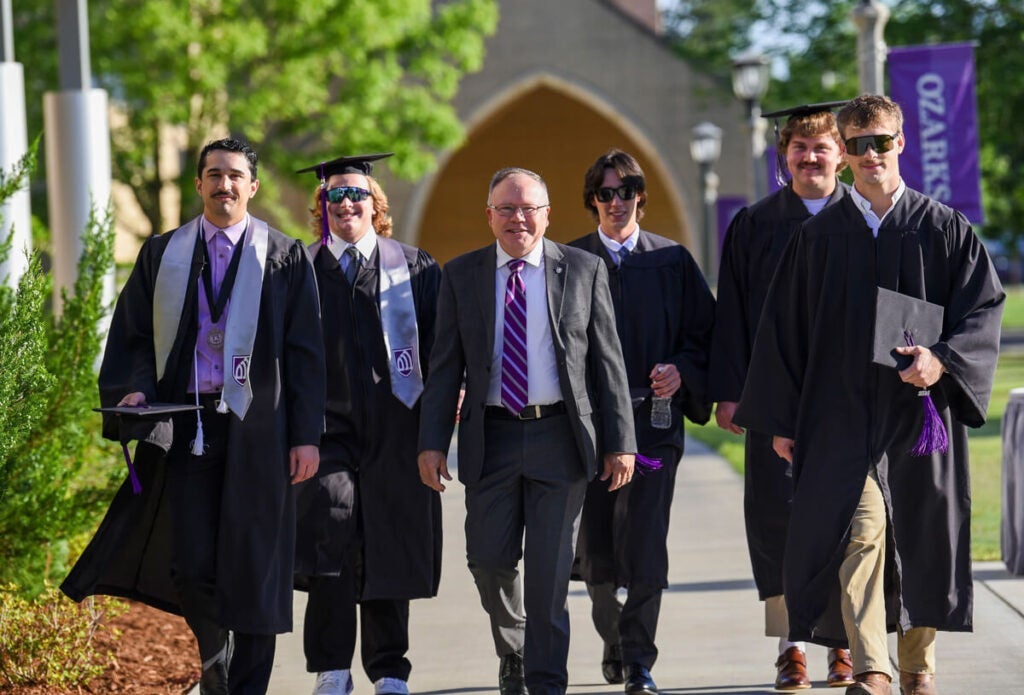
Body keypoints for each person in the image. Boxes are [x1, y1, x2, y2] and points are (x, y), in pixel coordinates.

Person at [734, 94, 1004, 695]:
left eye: (880, 141)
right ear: (846, 153)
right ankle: (871, 667)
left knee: (920, 533)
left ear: (900, 143)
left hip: (920, 413)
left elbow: (982, 308)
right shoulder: (820, 236)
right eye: (857, 145)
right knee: (859, 533)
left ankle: (916, 666)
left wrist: (942, 361)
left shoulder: (942, 228)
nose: (869, 154)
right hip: (838, 416)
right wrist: (782, 419)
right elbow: (784, 330)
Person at [62, 138, 326, 694]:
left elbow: (306, 355)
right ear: (199, 183)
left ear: (252, 186)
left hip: (261, 428)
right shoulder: (164, 253)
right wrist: (134, 391)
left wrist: (306, 436)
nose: (223, 184)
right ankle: (215, 655)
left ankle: (244, 686)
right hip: (186, 426)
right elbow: (132, 336)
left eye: (235, 175)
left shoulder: (283, 256)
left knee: (255, 564)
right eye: (213, 174)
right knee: (190, 563)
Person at [417, 167, 637, 695]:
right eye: (507, 208)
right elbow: (445, 365)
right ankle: (513, 646)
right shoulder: (462, 274)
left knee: (548, 577)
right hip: (489, 439)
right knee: (488, 560)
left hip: (558, 439)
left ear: (547, 214)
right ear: (489, 215)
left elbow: (608, 362)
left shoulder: (583, 270)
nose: (519, 218)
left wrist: (622, 441)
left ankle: (544, 681)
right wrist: (430, 442)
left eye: (529, 208)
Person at [708, 103, 855, 690]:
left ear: (840, 155)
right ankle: (792, 644)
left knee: (850, 524)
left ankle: (845, 642)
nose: (811, 156)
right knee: (778, 525)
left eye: (822, 147)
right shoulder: (756, 223)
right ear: (784, 157)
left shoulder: (866, 218)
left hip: (847, 402)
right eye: (801, 147)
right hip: (774, 400)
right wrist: (729, 393)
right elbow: (733, 315)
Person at [567, 149, 715, 695]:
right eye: (605, 193)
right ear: (592, 202)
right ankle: (615, 634)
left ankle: (639, 661)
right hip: (591, 428)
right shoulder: (570, 262)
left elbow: (706, 337)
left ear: (641, 198)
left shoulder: (672, 261)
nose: (616, 201)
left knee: (647, 540)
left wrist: (682, 371)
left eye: (626, 190)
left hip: (653, 425)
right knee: (597, 546)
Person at [293, 154, 442, 695]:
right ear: (321, 207)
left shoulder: (415, 267)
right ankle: (332, 668)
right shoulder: (300, 270)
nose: (345, 204)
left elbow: (442, 353)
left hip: (397, 430)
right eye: (334, 196)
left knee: (388, 544)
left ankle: (389, 670)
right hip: (326, 433)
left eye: (356, 194)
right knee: (330, 539)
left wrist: (436, 434)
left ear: (376, 205)